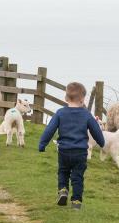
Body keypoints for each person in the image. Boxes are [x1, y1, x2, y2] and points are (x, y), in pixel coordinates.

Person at [38, 82, 105, 210]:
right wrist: (102, 143)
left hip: (64, 151)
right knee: (77, 176)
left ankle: (63, 190)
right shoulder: (86, 114)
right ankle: (76, 202)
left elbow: (49, 130)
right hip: (80, 152)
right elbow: (96, 130)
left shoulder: (60, 113)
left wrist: (42, 144)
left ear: (66, 98)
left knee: (63, 171)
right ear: (83, 99)